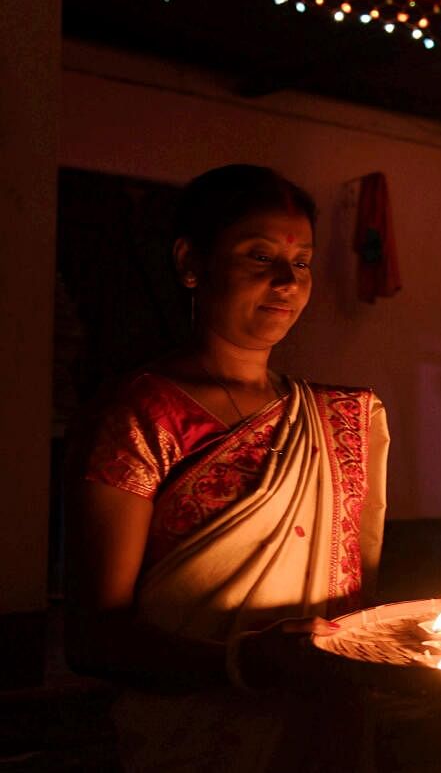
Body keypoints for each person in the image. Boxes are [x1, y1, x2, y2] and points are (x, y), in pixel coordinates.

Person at [65, 165, 388, 771]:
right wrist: (243, 663)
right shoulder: (140, 416)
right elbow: (94, 636)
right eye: (259, 256)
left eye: (303, 262)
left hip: (321, 732)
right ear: (191, 263)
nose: (287, 281)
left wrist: (422, 625)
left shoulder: (335, 418)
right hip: (196, 740)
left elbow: (348, 608)